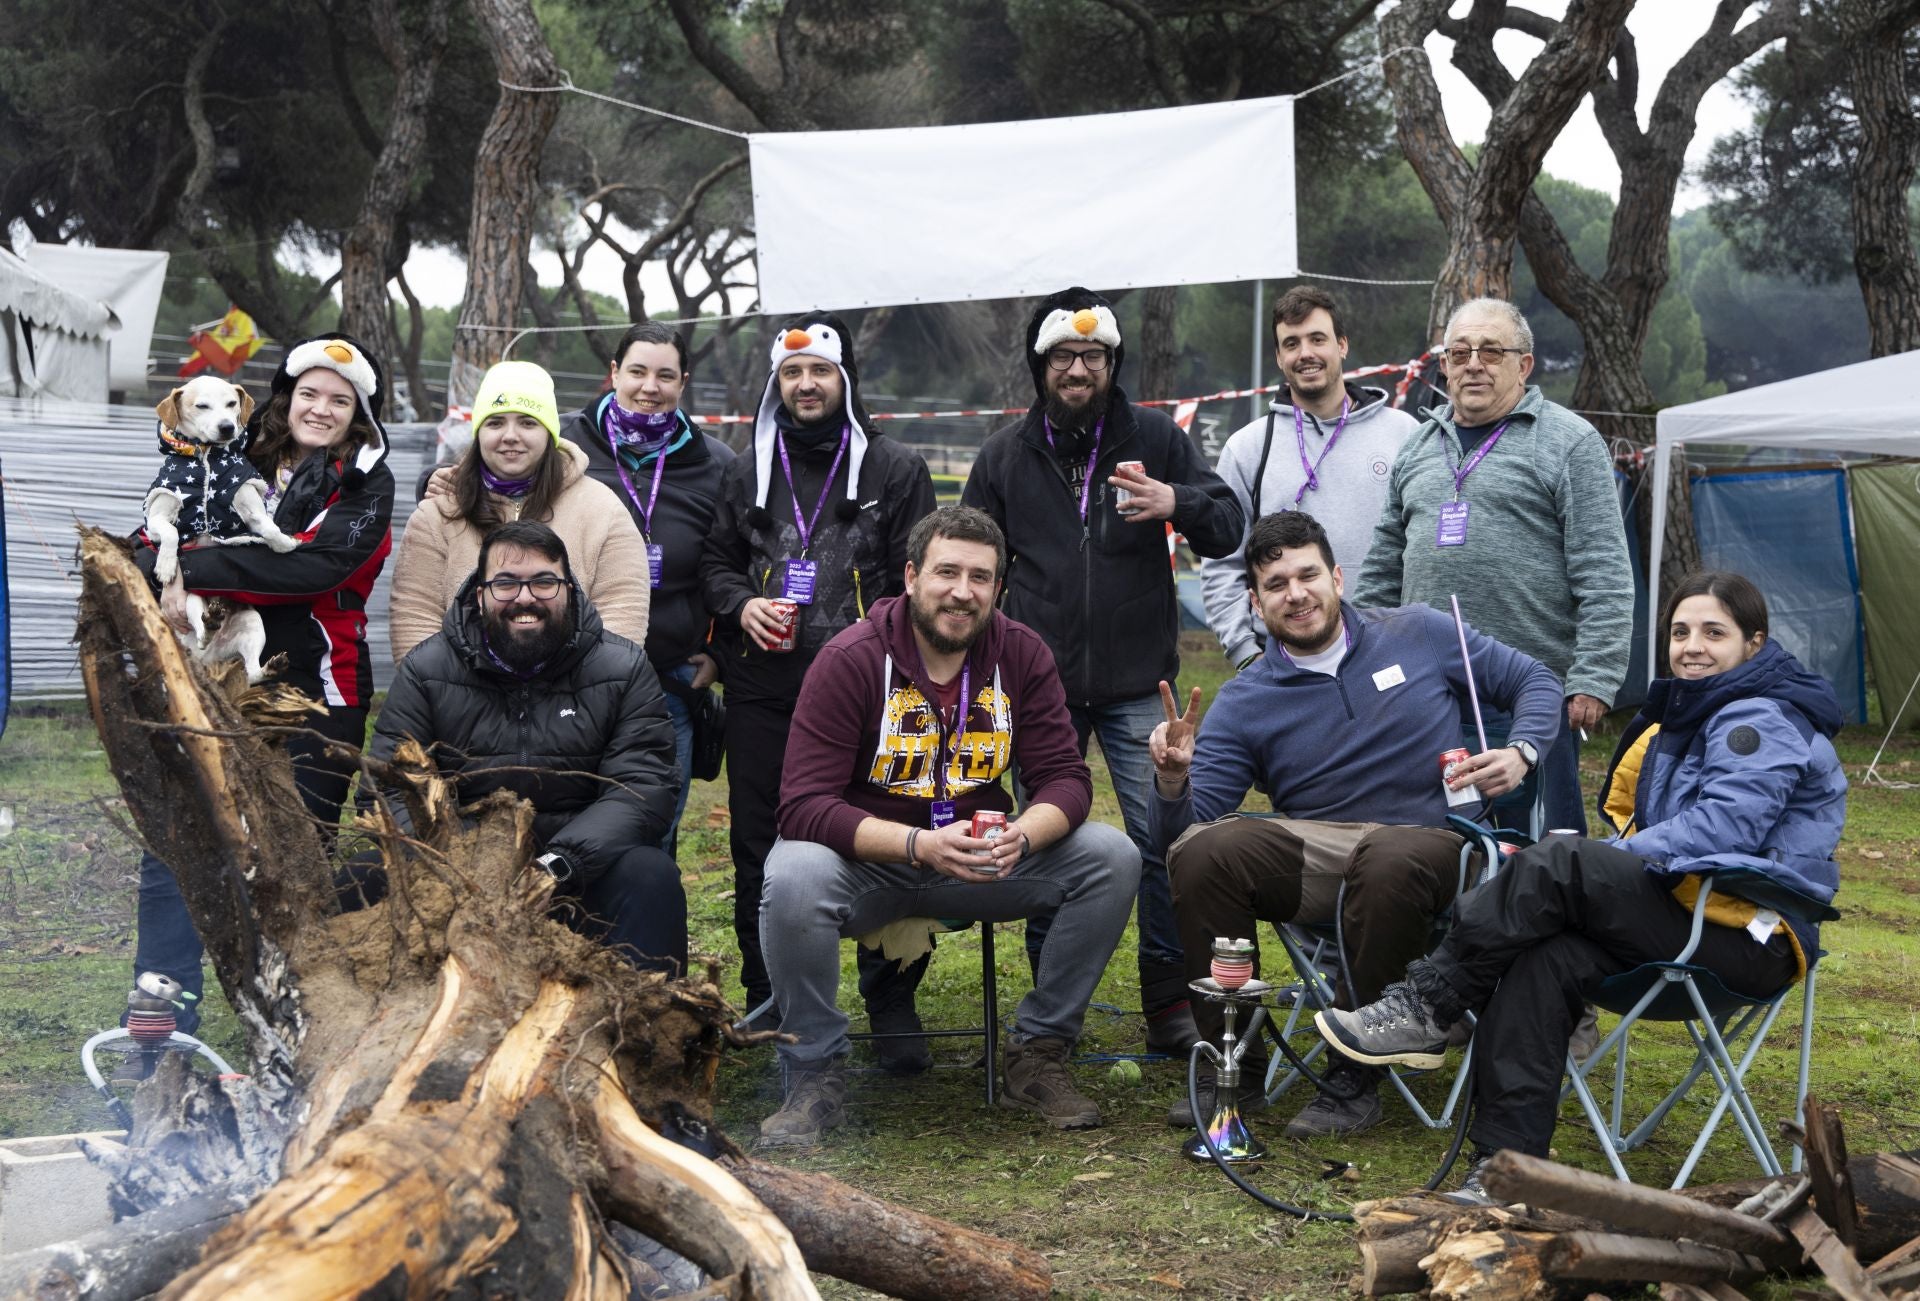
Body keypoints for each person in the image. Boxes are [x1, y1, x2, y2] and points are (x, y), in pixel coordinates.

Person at [1318, 570, 1844, 1202]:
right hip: (1691, 915)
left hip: (1750, 933)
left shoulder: (1758, 715)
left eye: (1714, 632)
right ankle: (1505, 1171)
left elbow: (1726, 825)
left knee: (1561, 860)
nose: (1692, 646)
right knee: (1543, 959)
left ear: (1753, 645)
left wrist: (1613, 857)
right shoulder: (1694, 712)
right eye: (1680, 632)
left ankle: (1429, 1005)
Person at [1148, 510, 1562, 1136]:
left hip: (1439, 843)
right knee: (1208, 852)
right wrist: (1174, 780)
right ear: (1256, 604)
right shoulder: (1247, 697)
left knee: (1388, 856)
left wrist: (1522, 750)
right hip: (1318, 851)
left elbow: (1535, 678)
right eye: (1277, 584)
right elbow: (1184, 833)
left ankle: (1353, 1072)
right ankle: (1232, 1065)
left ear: (1337, 576)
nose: (1297, 594)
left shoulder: (1419, 632)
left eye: (1307, 575)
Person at [758, 506, 1141, 1144]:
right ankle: (814, 1070)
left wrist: (1024, 834)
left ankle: (1038, 1051)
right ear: (910, 576)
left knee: (1110, 854)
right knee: (793, 871)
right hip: (874, 861)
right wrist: (917, 844)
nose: (963, 592)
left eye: (981, 578)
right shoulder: (851, 658)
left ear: (998, 588)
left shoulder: (1020, 654)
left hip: (983, 860)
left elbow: (1067, 780)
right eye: (947, 573)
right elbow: (802, 804)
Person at [962, 286, 1244, 1056]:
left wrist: (1176, 499)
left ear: (1112, 363)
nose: (1078, 368)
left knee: (1168, 842)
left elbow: (1228, 528)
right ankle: (1052, 1015)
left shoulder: (1153, 435)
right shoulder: (1002, 456)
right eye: (1063, 356)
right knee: (1046, 842)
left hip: (1135, 689)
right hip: (1038, 690)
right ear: (1040, 366)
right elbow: (971, 565)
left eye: (1092, 356)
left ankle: (1168, 1003)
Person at [132, 333, 398, 1029]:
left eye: (340, 399)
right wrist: (150, 560)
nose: (320, 407)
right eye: (308, 392)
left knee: (296, 852)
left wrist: (194, 567)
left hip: (318, 685)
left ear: (360, 412)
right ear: (284, 396)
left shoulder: (367, 480)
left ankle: (296, 1014)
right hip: (217, 671)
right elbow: (158, 524)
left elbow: (316, 570)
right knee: (183, 826)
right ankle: (162, 997)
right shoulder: (230, 448)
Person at [699, 312, 938, 1055]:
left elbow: (918, 576)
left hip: (872, 690)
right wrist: (743, 604)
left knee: (884, 834)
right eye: (792, 374)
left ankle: (891, 996)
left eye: (820, 371)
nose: (807, 384)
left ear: (844, 380)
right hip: (765, 688)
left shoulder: (894, 467)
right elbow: (714, 565)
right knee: (760, 842)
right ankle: (767, 998)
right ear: (777, 386)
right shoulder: (745, 468)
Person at [1353, 297, 1632, 835]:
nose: (1473, 363)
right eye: (1459, 352)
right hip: (1424, 694)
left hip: (1528, 695)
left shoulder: (1570, 443)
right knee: (1439, 843)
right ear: (1445, 365)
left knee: (1538, 857)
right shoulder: (1417, 447)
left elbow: (1604, 571)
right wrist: (1360, 662)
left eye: (1490, 351)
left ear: (1523, 365)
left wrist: (1594, 677)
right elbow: (1384, 566)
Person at [363, 521, 686, 973]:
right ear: (480, 594)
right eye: (506, 583)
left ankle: (650, 1028)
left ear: (569, 589)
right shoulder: (427, 669)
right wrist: (467, 865)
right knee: (362, 873)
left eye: (543, 581)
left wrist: (558, 865)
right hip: (456, 870)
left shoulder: (623, 669)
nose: (525, 597)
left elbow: (642, 789)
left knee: (651, 875)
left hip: (577, 869)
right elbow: (390, 787)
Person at [564, 322, 734, 855]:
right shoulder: (563, 443)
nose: (649, 386)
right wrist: (439, 477)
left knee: (652, 827)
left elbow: (734, 564)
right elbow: (485, 473)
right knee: (567, 814)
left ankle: (647, 936)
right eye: (636, 371)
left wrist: (720, 654)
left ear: (683, 383)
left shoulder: (717, 463)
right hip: (567, 675)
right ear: (614, 373)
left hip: (668, 679)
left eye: (665, 375)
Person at [1202, 285, 1418, 672]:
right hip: (1286, 663)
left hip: (1389, 655)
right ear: (1279, 357)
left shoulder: (1404, 434)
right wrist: (1245, 653)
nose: (1306, 354)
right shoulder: (1248, 448)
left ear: (1342, 345)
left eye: (1317, 339)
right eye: (1292, 343)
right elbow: (1223, 563)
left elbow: (1425, 549)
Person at [393, 359, 650, 662]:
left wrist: (582, 699)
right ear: (478, 433)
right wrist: (447, 695)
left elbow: (623, 614)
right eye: (495, 422)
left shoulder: (603, 510)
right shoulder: (438, 513)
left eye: (527, 422)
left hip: (574, 700)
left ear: (549, 433)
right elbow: (415, 617)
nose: (510, 435)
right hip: (461, 701)